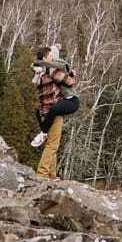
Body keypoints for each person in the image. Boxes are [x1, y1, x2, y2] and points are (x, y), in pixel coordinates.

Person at [29, 44, 79, 179]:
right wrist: (71, 75)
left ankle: (52, 175)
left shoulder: (38, 73)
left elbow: (33, 66)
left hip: (42, 112)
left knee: (51, 143)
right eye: (51, 55)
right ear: (45, 57)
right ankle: (42, 174)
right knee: (52, 145)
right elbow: (69, 82)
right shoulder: (51, 71)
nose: (53, 58)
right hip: (54, 111)